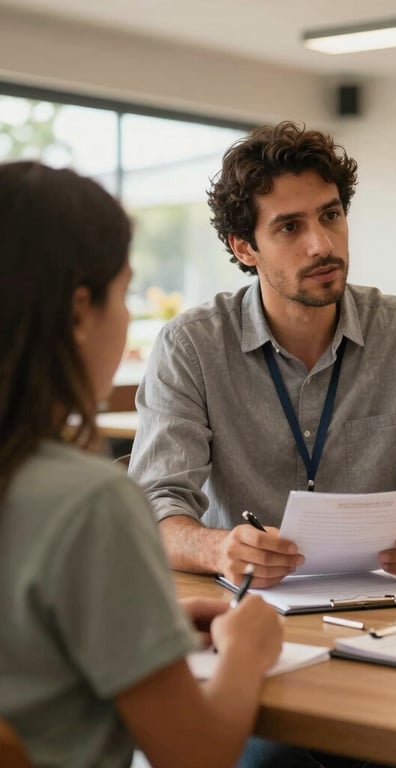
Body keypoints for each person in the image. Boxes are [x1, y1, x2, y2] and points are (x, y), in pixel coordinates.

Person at [0, 161, 283, 768]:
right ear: (79, 313)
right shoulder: (87, 500)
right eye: (124, 292)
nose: (127, 318)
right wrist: (247, 650)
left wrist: (142, 621)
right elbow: (197, 755)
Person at [128, 121, 396, 588]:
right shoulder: (192, 346)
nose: (322, 244)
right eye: (289, 227)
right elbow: (155, 504)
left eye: (331, 216)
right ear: (245, 247)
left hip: (376, 600)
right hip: (240, 602)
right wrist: (218, 548)